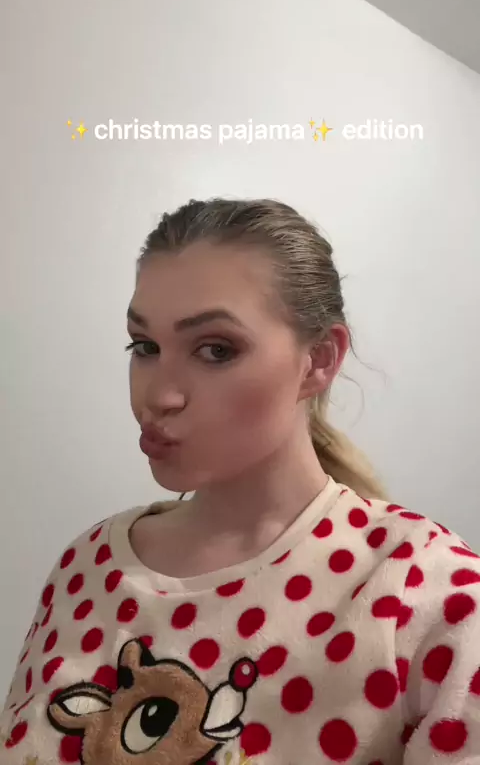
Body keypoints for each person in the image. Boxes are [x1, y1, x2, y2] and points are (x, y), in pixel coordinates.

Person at [1, 197, 479, 765]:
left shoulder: (431, 595)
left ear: (319, 359)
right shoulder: (86, 568)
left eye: (216, 350)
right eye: (145, 347)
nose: (159, 395)